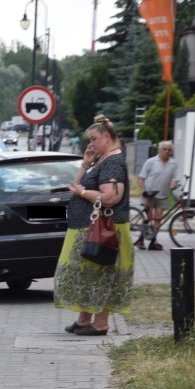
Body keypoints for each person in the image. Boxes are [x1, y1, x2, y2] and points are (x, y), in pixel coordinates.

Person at [54, 115, 132, 336]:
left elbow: (111, 197)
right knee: (88, 275)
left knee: (104, 276)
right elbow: (75, 186)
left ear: (107, 137)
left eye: (94, 139)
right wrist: (86, 165)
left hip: (105, 230)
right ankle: (83, 319)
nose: (91, 144)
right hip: (89, 228)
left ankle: (100, 324)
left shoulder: (114, 162)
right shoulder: (102, 159)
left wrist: (82, 193)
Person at [135, 140, 179, 250]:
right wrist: (143, 189)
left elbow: (175, 178)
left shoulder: (173, 163)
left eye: (169, 150)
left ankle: (152, 242)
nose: (167, 151)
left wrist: (173, 185)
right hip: (149, 194)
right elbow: (141, 177)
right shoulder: (151, 161)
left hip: (162, 195)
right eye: (165, 149)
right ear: (159, 150)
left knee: (158, 219)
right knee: (148, 218)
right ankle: (141, 240)